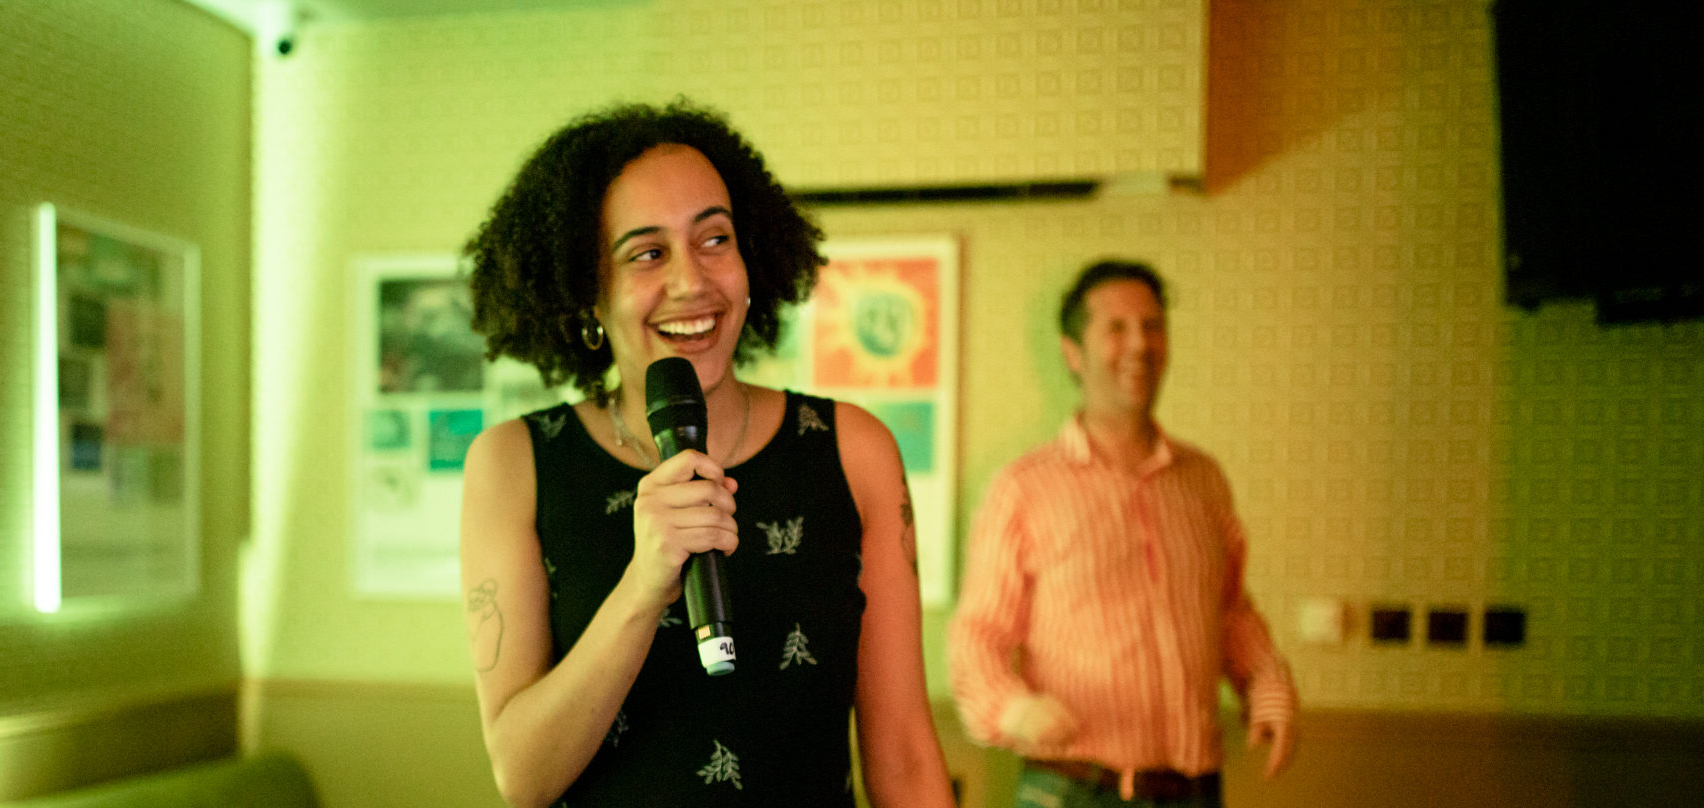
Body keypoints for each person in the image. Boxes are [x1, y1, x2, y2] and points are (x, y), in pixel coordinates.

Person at [457, 101, 955, 808]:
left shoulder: (854, 450)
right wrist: (643, 583)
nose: (692, 282)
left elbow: (903, 753)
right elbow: (523, 778)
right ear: (588, 292)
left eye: (715, 239)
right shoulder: (514, 465)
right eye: (647, 253)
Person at [948, 260, 1296, 807]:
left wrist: (1268, 685)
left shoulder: (1202, 480)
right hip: (1071, 788)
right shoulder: (1022, 489)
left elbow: (1229, 610)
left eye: (1153, 326)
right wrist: (1014, 710)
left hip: (1195, 791)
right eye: (1116, 329)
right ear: (1072, 353)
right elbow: (977, 637)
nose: (1141, 344)